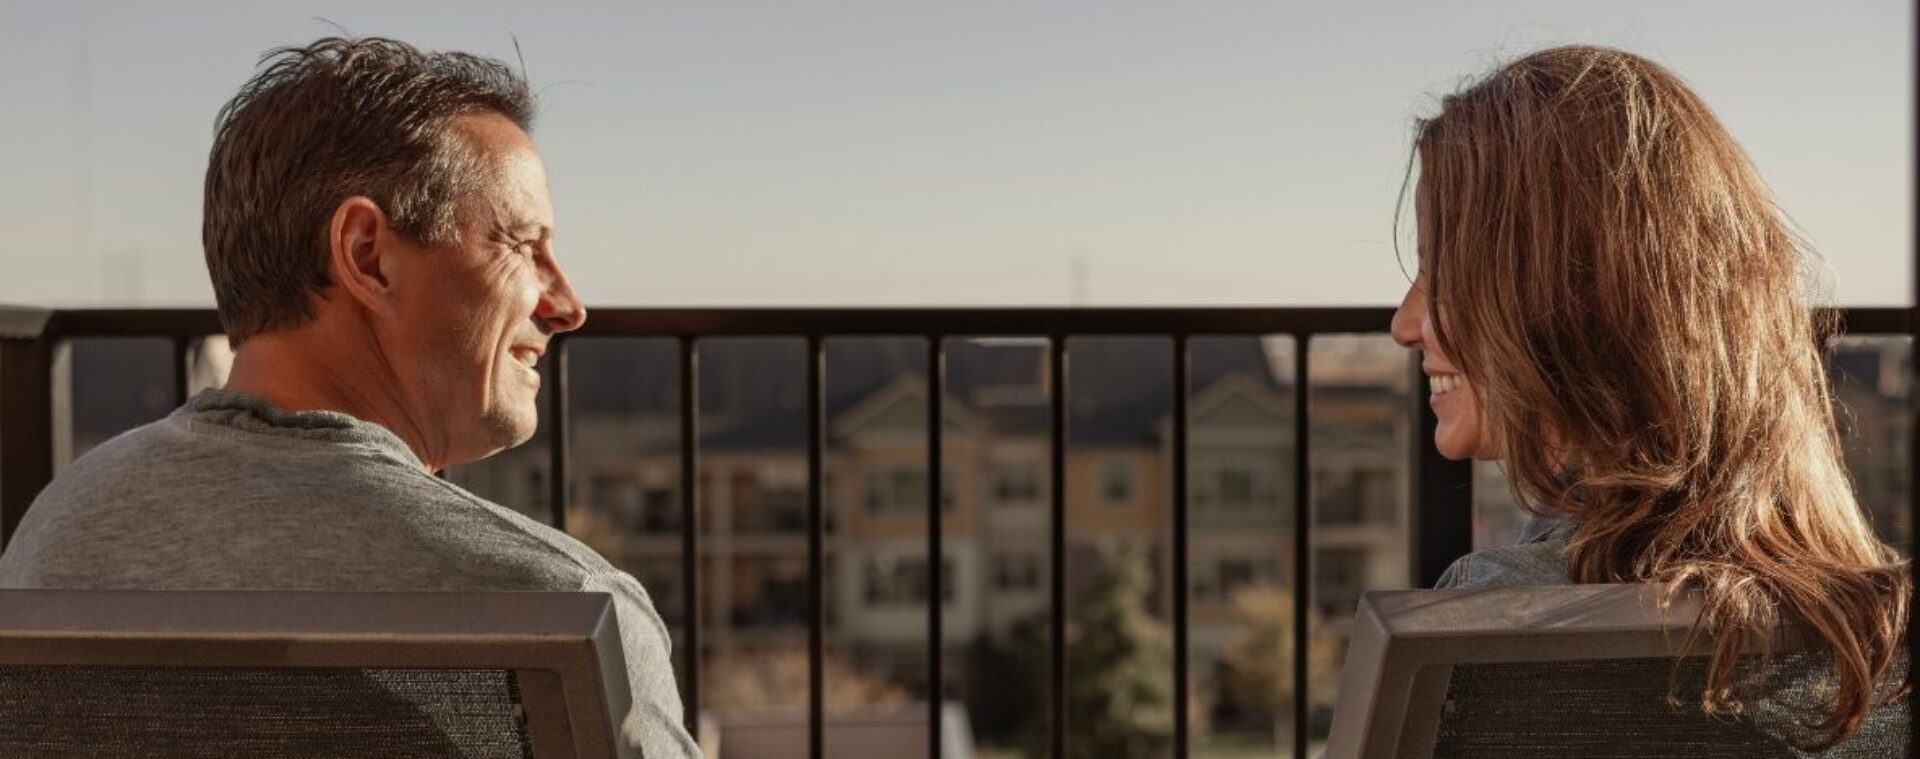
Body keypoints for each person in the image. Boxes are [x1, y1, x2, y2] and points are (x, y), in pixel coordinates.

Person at [0, 37, 700, 757]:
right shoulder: (564, 608)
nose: (567, 303)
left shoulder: (55, 539)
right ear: (367, 255)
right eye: (521, 244)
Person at [1389, 45, 1909, 751]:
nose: (1405, 322)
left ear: (1562, 298)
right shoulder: (1878, 635)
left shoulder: (1494, 621)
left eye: (1442, 270)